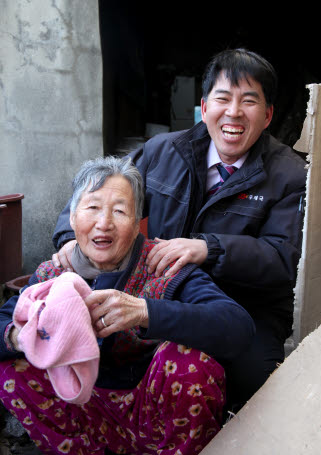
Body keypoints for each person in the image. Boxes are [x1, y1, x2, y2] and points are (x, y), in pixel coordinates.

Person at [52, 48, 307, 412]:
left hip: (249, 305)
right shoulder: (163, 151)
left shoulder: (290, 175)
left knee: (250, 381)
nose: (233, 112)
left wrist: (209, 248)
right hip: (163, 288)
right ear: (204, 108)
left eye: (249, 101)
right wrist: (68, 240)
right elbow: (99, 191)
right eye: (223, 98)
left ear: (267, 116)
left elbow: (282, 260)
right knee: (103, 357)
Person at [0, 156, 255, 455]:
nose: (103, 223)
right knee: (12, 363)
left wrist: (146, 312)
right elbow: (6, 323)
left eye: (119, 211)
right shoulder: (54, 275)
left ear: (136, 225)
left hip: (151, 414)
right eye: (92, 208)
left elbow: (238, 327)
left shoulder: (163, 267)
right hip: (80, 412)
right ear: (72, 218)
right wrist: (30, 334)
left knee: (191, 363)